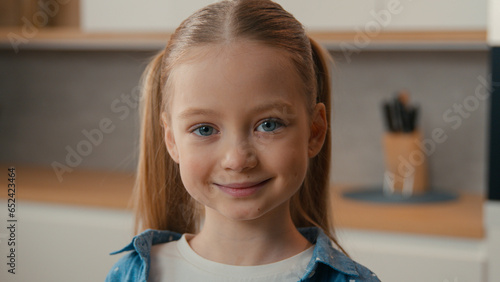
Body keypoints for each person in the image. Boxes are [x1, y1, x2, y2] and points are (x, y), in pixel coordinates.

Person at [106, 0, 380, 281]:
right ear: (171, 139)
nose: (237, 160)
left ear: (315, 131)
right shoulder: (132, 274)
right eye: (204, 129)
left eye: (268, 125)